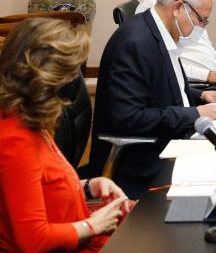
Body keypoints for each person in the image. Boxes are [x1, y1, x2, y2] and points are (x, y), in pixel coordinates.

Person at [89, 0, 216, 199]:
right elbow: (129, 118)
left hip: (169, 140)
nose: (201, 28)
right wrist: (194, 114)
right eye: (201, 20)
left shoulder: (159, 32)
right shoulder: (134, 44)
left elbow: (163, 87)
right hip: (142, 160)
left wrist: (201, 96)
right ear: (179, 7)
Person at [0, 18, 132, 252]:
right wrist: (93, 225)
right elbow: (34, 240)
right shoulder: (14, 138)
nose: (74, 78)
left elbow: (41, 187)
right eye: (69, 71)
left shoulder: (29, 116)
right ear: (43, 75)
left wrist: (90, 186)